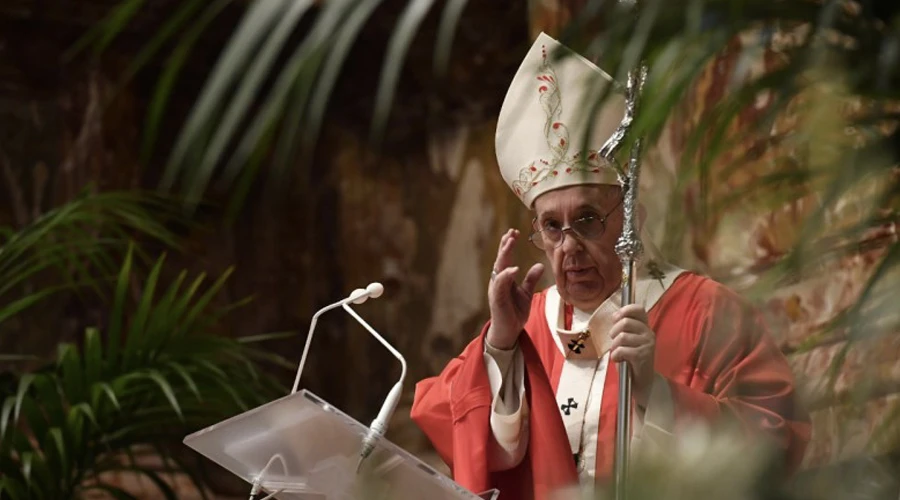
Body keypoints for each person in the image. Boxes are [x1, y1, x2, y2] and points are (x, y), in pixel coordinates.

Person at [410, 32, 810, 499]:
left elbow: (775, 440)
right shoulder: (527, 323)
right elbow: (450, 423)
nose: (569, 246)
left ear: (632, 220)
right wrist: (500, 344)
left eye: (587, 219)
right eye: (552, 227)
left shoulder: (706, 312)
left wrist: (656, 395)